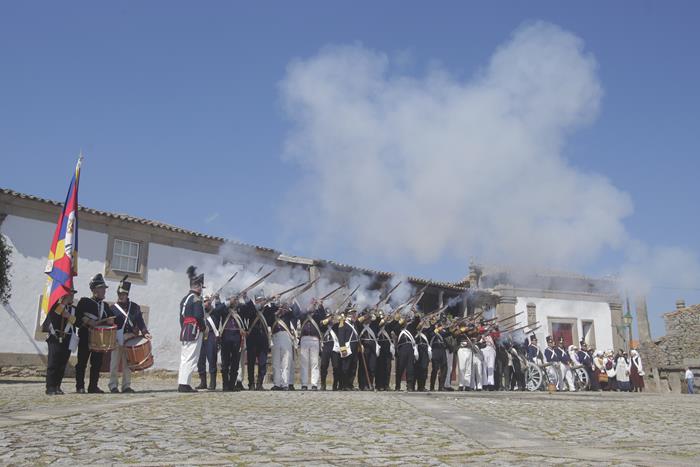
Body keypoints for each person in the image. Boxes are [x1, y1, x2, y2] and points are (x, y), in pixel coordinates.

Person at [108, 276, 151, 393]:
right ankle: (113, 385)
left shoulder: (135, 307)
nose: (121, 296)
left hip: (130, 338)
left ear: (127, 295)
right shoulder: (112, 309)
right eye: (119, 294)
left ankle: (126, 386)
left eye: (123, 294)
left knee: (128, 365)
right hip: (117, 339)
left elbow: (140, 322)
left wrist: (145, 332)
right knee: (114, 364)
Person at [75, 273, 114, 393]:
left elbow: (110, 322)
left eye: (104, 288)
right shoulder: (84, 302)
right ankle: (80, 386)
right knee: (81, 362)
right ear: (94, 290)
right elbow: (76, 319)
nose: (104, 291)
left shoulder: (106, 306)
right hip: (86, 337)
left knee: (97, 364)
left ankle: (93, 386)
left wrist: (110, 322)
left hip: (100, 340)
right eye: (101, 288)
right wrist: (86, 321)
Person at [42, 287, 78, 395]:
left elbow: (77, 322)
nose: (71, 296)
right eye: (69, 294)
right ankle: (50, 387)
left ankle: (57, 386)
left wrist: (69, 316)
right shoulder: (55, 306)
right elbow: (56, 314)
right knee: (53, 363)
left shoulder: (73, 309)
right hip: (55, 337)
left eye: (72, 295)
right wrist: (63, 304)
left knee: (62, 363)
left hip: (67, 337)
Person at [178, 266, 205, 393]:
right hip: (194, 330)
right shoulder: (197, 299)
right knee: (191, 358)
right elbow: (199, 316)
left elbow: (181, 318)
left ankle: (182, 382)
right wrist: (203, 328)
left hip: (185, 329)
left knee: (185, 358)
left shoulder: (185, 298)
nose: (201, 289)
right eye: (201, 287)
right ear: (198, 286)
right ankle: (185, 384)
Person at [298, 299, 325, 390]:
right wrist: (308, 308)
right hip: (304, 338)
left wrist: (321, 306)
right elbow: (300, 316)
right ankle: (304, 384)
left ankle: (314, 384)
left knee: (315, 363)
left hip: (315, 339)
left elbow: (323, 318)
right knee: (304, 363)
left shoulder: (318, 313)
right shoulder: (304, 312)